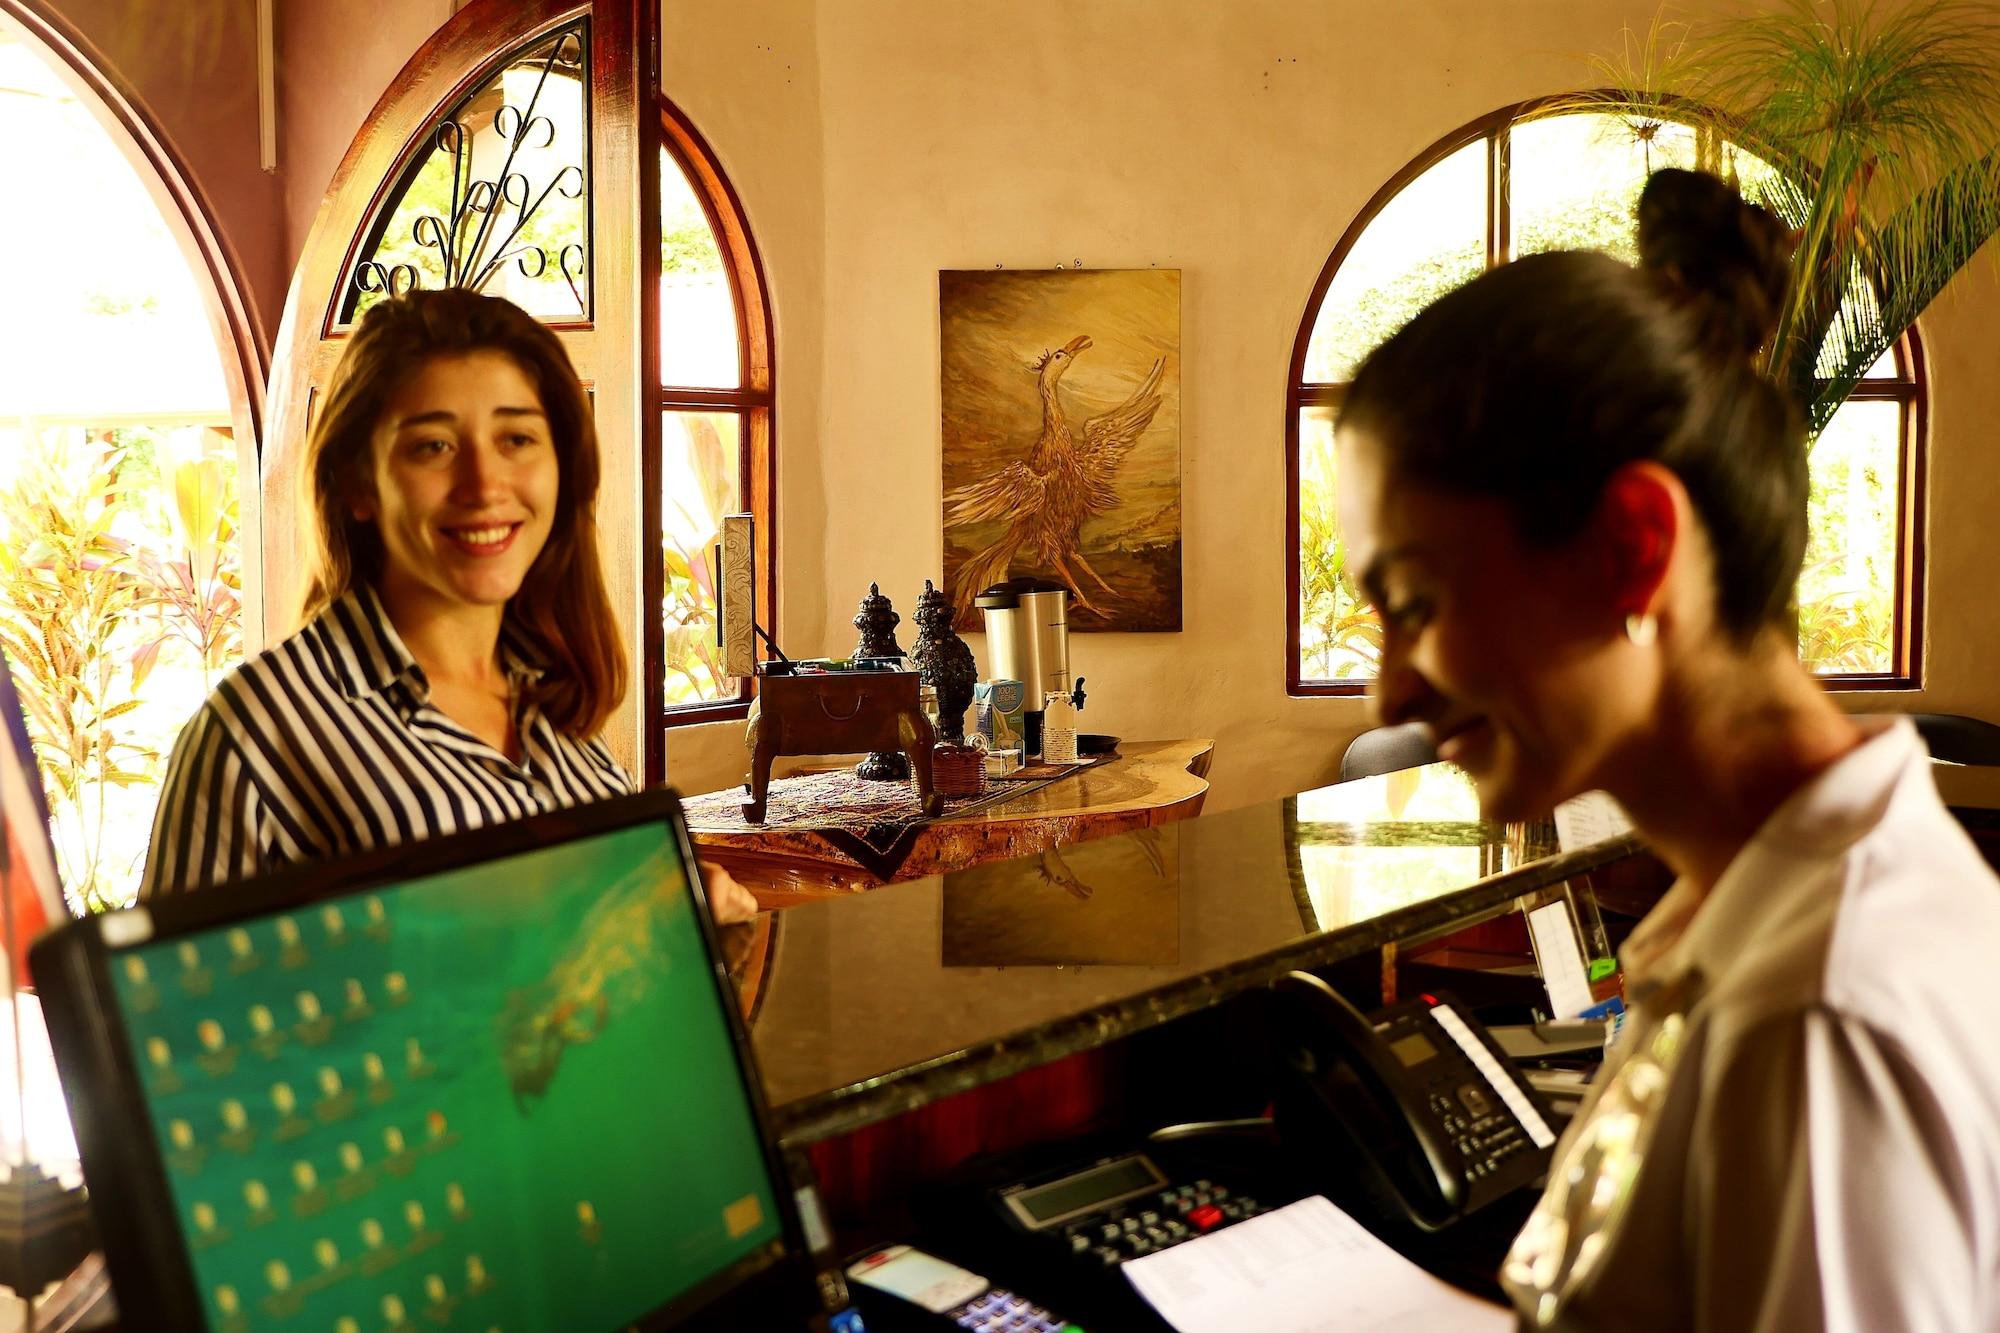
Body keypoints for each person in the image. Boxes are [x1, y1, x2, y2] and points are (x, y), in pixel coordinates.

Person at [1335, 168, 2000, 1331]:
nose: (1391, 687)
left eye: (1413, 601)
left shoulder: (1811, 1021)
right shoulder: (1760, 916)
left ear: (1633, 548)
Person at [140, 288, 756, 924]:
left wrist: (678, 926)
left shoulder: (560, 719)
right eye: (433, 446)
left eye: (516, 438)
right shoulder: (255, 736)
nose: (485, 485)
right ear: (357, 482)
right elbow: (163, 1019)